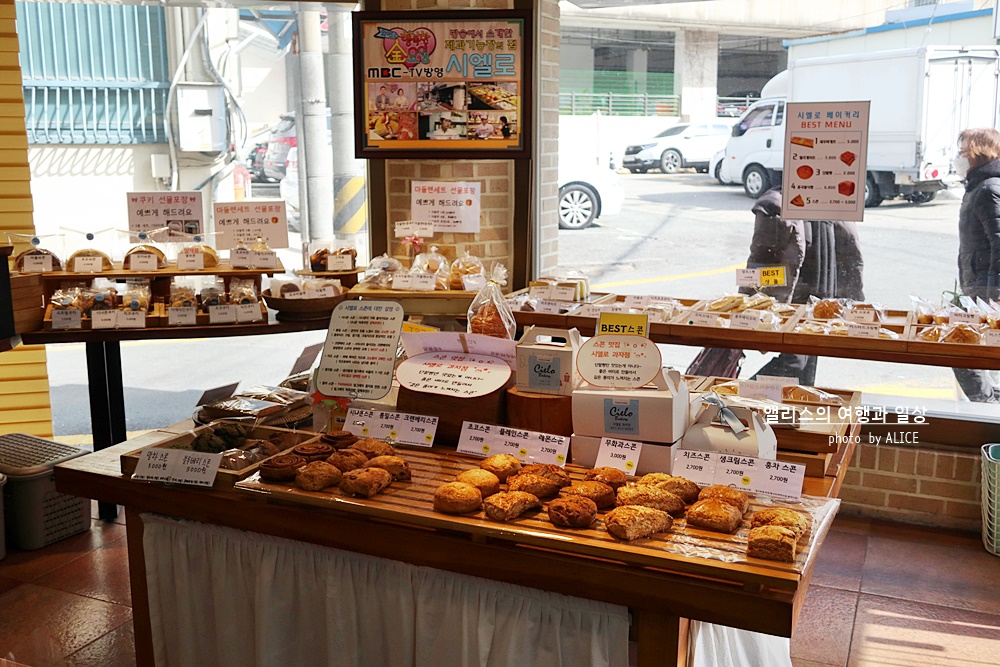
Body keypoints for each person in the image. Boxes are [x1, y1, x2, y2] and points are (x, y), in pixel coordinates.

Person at [746, 187, 864, 385]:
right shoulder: (774, 204)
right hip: (793, 300)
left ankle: (789, 401)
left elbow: (852, 255)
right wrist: (749, 300)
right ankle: (738, 395)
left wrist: (854, 302)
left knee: (806, 361)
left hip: (821, 299)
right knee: (796, 362)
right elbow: (760, 260)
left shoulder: (836, 202)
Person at [952, 127, 1000, 402]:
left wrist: (994, 297)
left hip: (986, 293)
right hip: (977, 286)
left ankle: (986, 406)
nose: (959, 158)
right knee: (972, 353)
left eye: (962, 152)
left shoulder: (988, 189)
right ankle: (989, 403)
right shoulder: (978, 186)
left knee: (962, 350)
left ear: (977, 153)